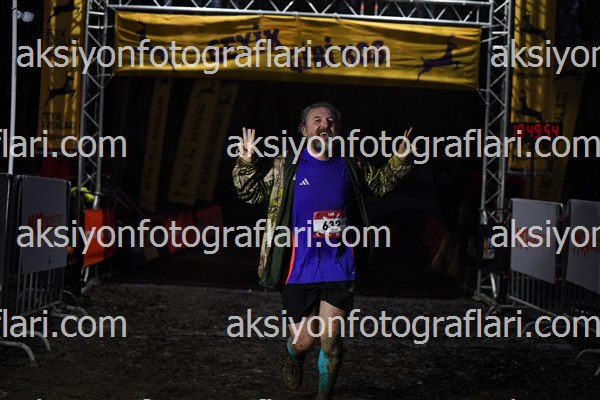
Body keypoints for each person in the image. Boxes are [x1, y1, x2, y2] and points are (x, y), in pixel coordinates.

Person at [232, 102, 412, 399]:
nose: (325, 124)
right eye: (317, 120)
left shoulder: (351, 164)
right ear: (303, 130)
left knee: (330, 340)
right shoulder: (286, 165)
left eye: (330, 120)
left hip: (339, 264)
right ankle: (294, 358)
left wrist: (400, 159)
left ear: (337, 129)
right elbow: (251, 193)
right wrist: (246, 161)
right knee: (304, 340)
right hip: (298, 267)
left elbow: (380, 185)